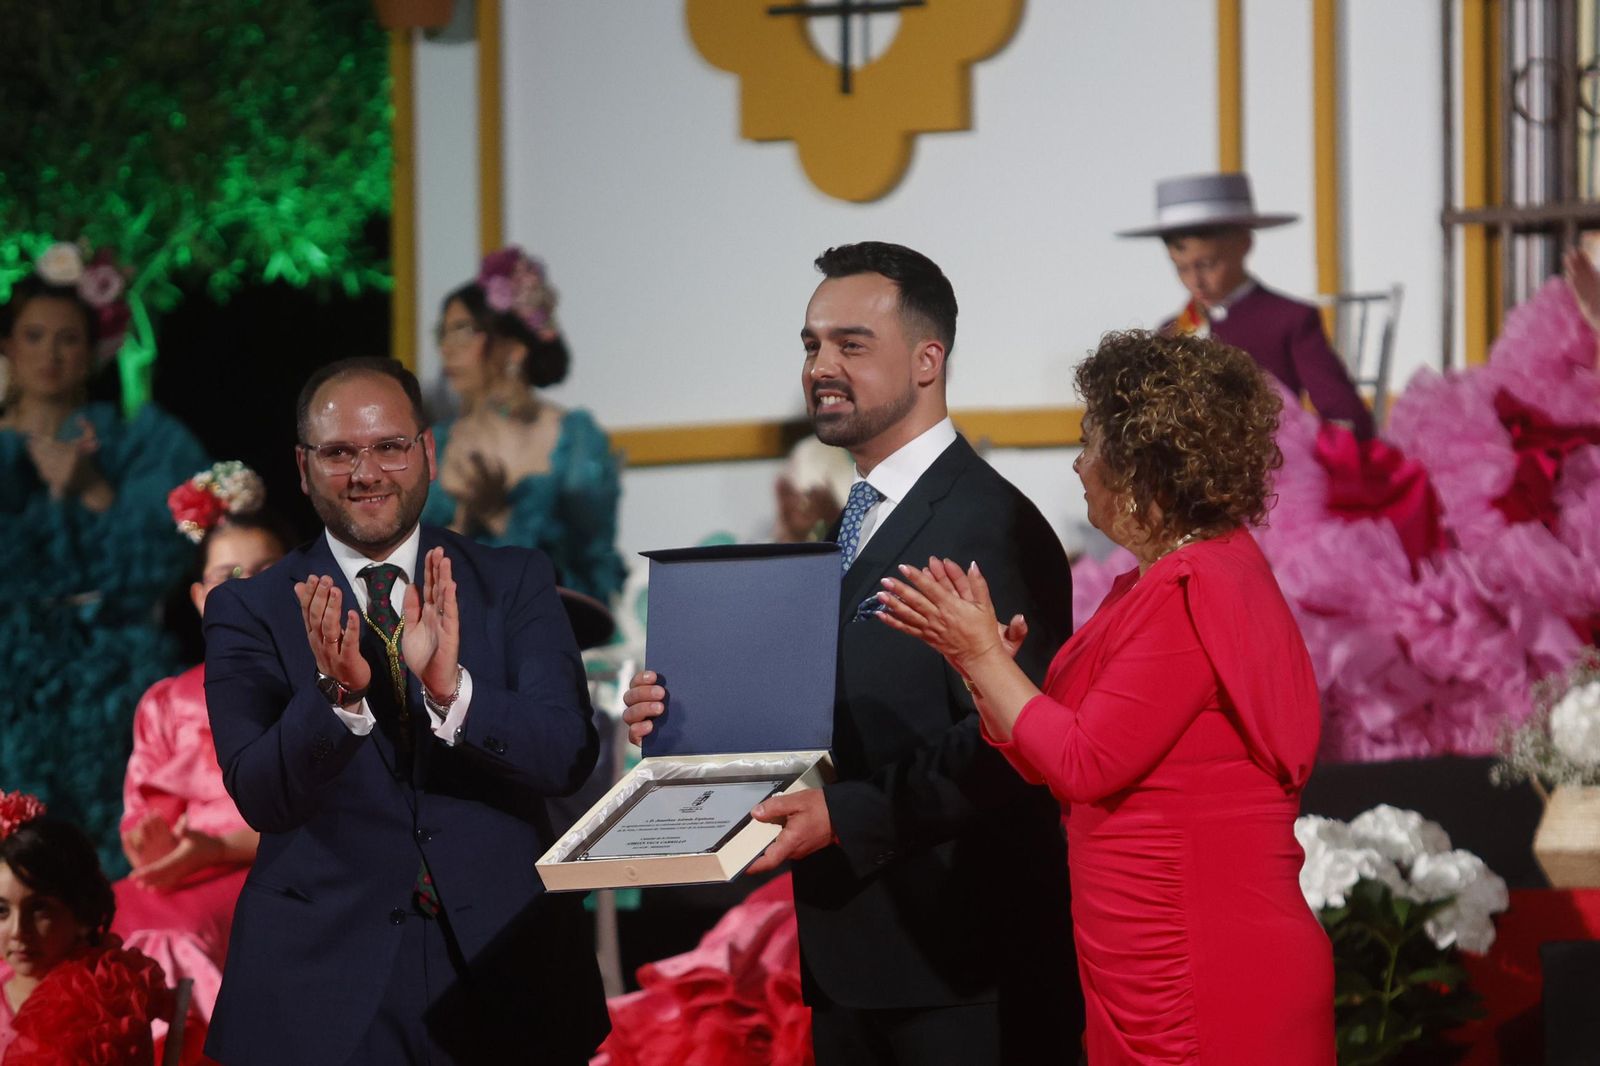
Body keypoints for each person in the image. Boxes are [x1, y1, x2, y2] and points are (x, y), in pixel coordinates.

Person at [625, 243, 1083, 1065]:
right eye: (811, 345)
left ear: (928, 361)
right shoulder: (854, 520)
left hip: (965, 976)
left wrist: (845, 815)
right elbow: (821, 706)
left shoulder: (990, 523)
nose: (821, 367)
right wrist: (681, 721)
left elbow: (1018, 741)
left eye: (851, 345)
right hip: (854, 966)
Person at [876, 330, 1336, 1064]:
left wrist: (984, 655)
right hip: (1145, 964)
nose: (1078, 463)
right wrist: (981, 668)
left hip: (1206, 964)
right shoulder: (1155, 585)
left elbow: (1083, 764)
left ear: (1143, 467)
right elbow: (1044, 756)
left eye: (1090, 441)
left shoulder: (1194, 589)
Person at [201, 357, 609, 1063]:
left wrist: (454, 694)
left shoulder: (514, 579)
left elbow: (567, 756)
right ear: (303, 467)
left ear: (427, 452)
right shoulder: (248, 609)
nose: (367, 473)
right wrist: (336, 698)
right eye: (339, 453)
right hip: (322, 981)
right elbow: (261, 796)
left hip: (510, 969)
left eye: (389, 446)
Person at [0, 244, 209, 867]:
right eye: (34, 336)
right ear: (8, 345)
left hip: (110, 668)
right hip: (9, 669)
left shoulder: (136, 440)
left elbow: (171, 551)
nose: (51, 353)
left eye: (68, 338)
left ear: (92, 350)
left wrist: (91, 487)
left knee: (111, 843)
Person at [111, 462, 291, 1056]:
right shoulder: (168, 701)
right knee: (95, 924)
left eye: (267, 572)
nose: (248, 590)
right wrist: (153, 844)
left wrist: (219, 848)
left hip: (276, 869)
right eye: (228, 576)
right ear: (199, 597)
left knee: (175, 934)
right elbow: (145, 815)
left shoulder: (326, 690)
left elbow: (339, 818)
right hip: (188, 871)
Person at [420, 247, 625, 603]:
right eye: (443, 333)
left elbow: (593, 563)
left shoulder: (573, 438)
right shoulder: (439, 442)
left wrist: (498, 515)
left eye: (462, 331)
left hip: (558, 616)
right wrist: (466, 518)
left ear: (514, 347)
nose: (447, 349)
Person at [1118, 171, 1376, 440]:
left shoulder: (1288, 319)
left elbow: (1345, 415)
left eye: (1207, 264)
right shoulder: (1173, 330)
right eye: (1181, 268)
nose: (1195, 281)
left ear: (1244, 244)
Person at [0, 792, 173, 1064]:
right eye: (2, 911)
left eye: (39, 909)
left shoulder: (112, 1000)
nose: (18, 930)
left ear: (82, 914)